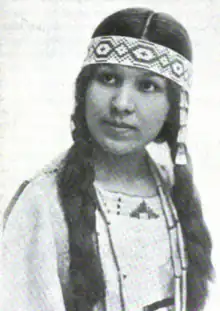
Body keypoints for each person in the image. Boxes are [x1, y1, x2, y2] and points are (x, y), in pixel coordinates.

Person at [2, 7, 214, 311]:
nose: (122, 104)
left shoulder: (173, 192)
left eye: (147, 86)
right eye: (109, 78)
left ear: (174, 108)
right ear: (84, 90)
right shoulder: (43, 202)